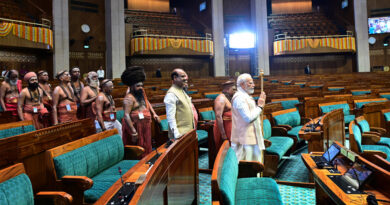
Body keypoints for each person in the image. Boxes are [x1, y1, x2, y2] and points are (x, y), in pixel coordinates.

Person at [121, 66, 160, 156]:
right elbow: (126, 115)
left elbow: (147, 102)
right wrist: (134, 132)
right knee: (138, 150)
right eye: (138, 86)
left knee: (147, 147)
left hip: (145, 126)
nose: (141, 87)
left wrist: (154, 114)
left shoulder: (141, 93)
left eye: (142, 85)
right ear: (131, 86)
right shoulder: (129, 98)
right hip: (136, 128)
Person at [231, 73, 266, 163]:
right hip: (244, 140)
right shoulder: (239, 98)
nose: (253, 85)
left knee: (255, 165)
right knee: (248, 166)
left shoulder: (245, 96)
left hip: (250, 138)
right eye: (250, 83)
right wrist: (260, 107)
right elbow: (248, 118)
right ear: (242, 85)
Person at [164, 68, 198, 139]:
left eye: (186, 76)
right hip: (180, 135)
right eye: (182, 76)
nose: (186, 78)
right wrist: (176, 135)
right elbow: (171, 118)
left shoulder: (181, 91)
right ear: (175, 78)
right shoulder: (171, 94)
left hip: (189, 133)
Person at [213, 80, 236, 151]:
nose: (235, 91)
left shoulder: (228, 98)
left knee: (231, 148)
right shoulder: (221, 99)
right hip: (224, 129)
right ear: (227, 89)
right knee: (224, 149)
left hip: (229, 126)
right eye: (233, 89)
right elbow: (218, 116)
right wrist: (223, 134)